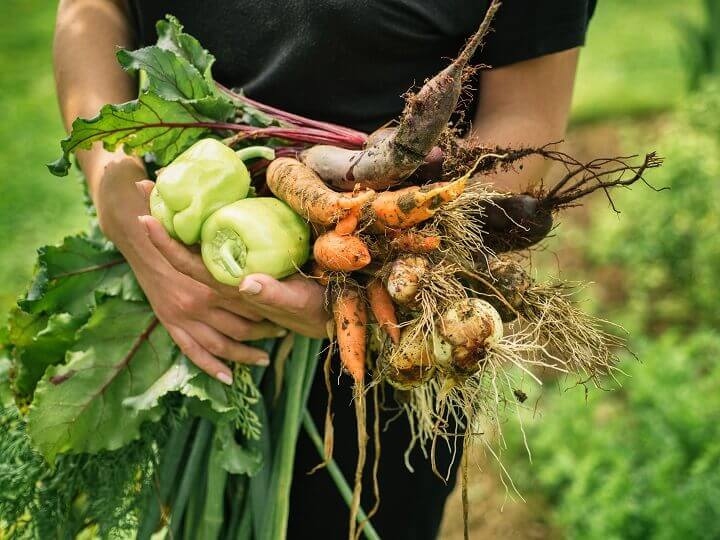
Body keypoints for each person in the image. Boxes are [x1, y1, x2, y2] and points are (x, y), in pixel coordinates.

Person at [53, 1, 596, 537]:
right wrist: (117, 193)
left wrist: (378, 273)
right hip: (170, 283)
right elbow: (90, 10)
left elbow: (525, 114)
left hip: (396, 320)